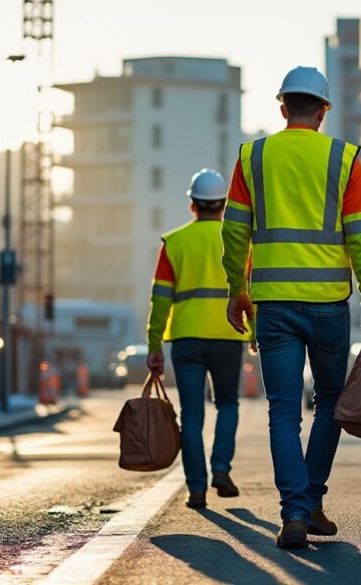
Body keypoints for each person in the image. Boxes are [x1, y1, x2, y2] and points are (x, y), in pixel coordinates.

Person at [221, 66, 361, 549]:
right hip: (329, 305)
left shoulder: (254, 157)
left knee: (282, 412)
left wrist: (237, 288)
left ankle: (295, 512)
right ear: (324, 110)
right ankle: (311, 500)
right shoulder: (343, 158)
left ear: (282, 107)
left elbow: (233, 232)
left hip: (273, 306)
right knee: (330, 402)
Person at [145, 169, 250, 509]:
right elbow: (251, 292)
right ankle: (220, 468)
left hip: (186, 338)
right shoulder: (239, 241)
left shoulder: (173, 243)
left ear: (192, 204)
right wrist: (256, 330)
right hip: (227, 334)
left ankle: (197, 488)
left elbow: (159, 300)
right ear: (223, 205)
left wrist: (154, 345)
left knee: (191, 415)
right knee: (228, 403)